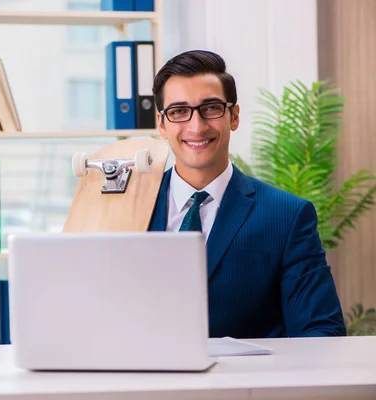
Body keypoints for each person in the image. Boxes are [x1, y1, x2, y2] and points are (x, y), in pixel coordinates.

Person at [147, 49, 347, 338]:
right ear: (162, 124)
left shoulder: (287, 216)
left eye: (211, 108)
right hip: (144, 381)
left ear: (234, 116)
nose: (196, 126)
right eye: (179, 112)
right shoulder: (129, 207)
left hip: (246, 382)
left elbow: (320, 331)